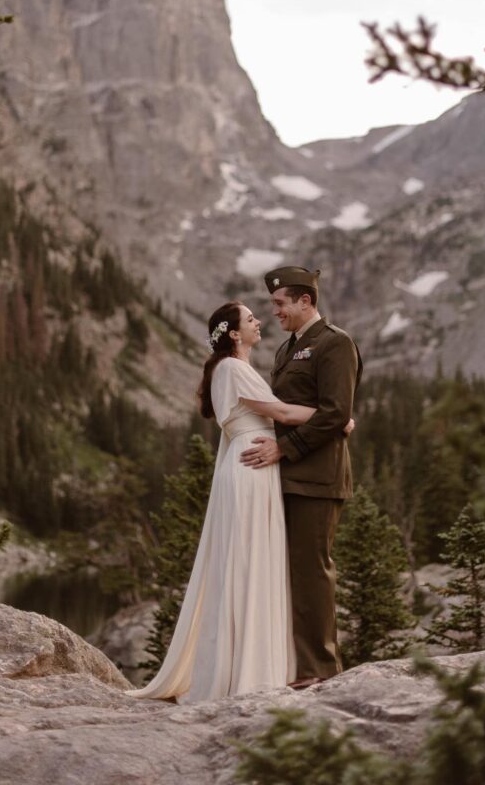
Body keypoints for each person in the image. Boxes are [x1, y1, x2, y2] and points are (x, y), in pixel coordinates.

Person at [126, 300, 318, 704]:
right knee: (248, 563)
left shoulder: (231, 369)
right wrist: (334, 417)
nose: (259, 321)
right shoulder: (231, 368)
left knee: (249, 562)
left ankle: (247, 666)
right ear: (233, 333)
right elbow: (280, 411)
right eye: (250, 319)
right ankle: (246, 674)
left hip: (251, 463)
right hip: (251, 467)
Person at [239, 266, 363, 689]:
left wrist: (283, 448)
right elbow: (292, 409)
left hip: (317, 477)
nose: (273, 311)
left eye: (280, 303)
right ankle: (292, 666)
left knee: (312, 572)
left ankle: (319, 670)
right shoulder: (286, 350)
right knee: (288, 572)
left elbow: (335, 413)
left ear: (305, 301)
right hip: (287, 477)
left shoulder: (335, 344)